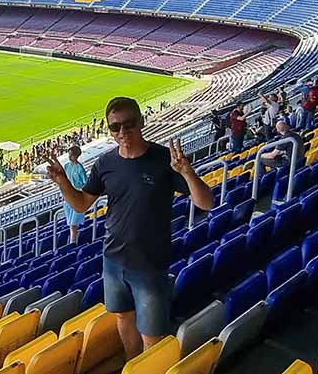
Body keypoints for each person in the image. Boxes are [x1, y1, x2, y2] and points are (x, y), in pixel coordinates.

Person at [46, 97, 214, 360]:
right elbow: (81, 205)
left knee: (152, 335)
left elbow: (206, 201)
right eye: (115, 127)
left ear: (141, 122)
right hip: (113, 259)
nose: (122, 132)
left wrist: (187, 172)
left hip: (149, 263)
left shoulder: (163, 160)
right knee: (123, 317)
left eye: (129, 124)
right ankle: (130, 365)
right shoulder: (105, 164)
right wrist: (62, 182)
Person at [61, 146, 89, 245]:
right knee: (70, 223)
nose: (70, 156)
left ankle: (72, 243)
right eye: (69, 154)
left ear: (76, 156)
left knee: (73, 223)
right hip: (67, 197)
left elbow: (85, 183)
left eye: (71, 154)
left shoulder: (79, 168)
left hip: (77, 197)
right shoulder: (67, 166)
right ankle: (74, 239)